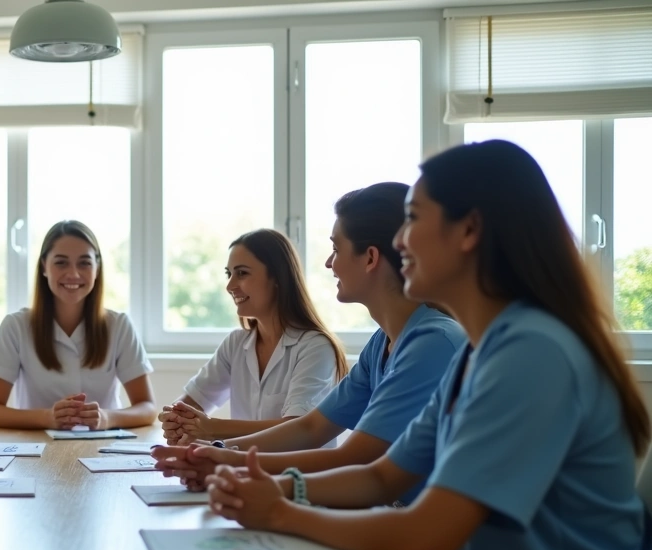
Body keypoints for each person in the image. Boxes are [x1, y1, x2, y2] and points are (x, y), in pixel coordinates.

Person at [206, 140, 652, 550]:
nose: (399, 242)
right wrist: (274, 489)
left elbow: (424, 539)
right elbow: (381, 479)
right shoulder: (476, 351)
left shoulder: (532, 351)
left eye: (413, 219)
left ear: (469, 230)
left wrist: (281, 512)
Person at [153, 183, 465, 505]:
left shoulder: (432, 344)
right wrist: (217, 454)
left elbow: (355, 458)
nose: (330, 263)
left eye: (336, 249)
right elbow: (312, 427)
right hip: (397, 515)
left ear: (370, 258)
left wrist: (225, 461)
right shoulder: (381, 345)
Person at [158, 229, 347, 444]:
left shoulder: (315, 347)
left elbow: (297, 428)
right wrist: (175, 419)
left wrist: (212, 428)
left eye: (242, 273)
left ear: (278, 277)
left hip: (300, 474)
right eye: (229, 274)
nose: (230, 286)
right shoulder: (235, 344)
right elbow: (192, 401)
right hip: (244, 472)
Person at [0, 220, 155, 430]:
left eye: (84, 263)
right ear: (44, 266)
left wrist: (107, 418)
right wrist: (47, 418)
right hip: (36, 450)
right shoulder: (15, 326)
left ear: (97, 268)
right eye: (61, 263)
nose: (73, 274)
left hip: (103, 450)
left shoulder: (119, 326)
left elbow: (147, 407)